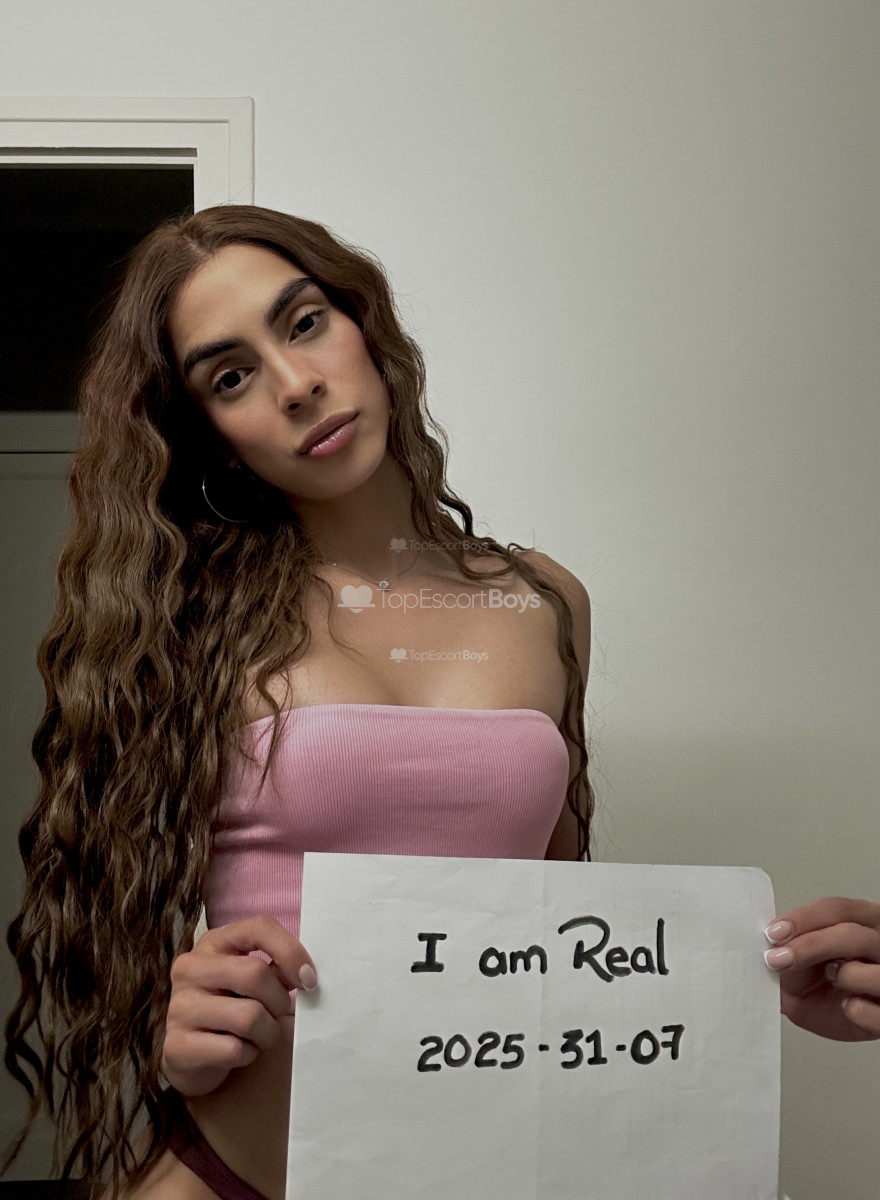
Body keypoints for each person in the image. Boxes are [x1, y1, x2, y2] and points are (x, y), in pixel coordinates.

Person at [1, 205, 877, 1200]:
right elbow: (118, 915)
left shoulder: (544, 602)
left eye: (304, 323)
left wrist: (752, 984)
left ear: (365, 326)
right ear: (216, 437)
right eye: (231, 377)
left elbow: (545, 934)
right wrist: (171, 1020)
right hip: (232, 1173)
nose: (296, 385)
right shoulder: (184, 618)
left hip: (496, 1171)